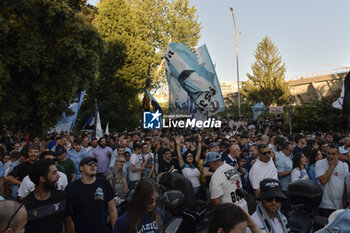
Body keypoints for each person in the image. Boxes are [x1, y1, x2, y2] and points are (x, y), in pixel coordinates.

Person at [66, 157, 117, 233]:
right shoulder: (71, 188)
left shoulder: (104, 183)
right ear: (81, 168)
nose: (93, 166)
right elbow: (68, 219)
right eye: (90, 164)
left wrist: (116, 230)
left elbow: (112, 210)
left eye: (95, 164)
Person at [23, 159, 74, 233]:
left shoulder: (62, 197)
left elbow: (68, 222)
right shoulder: (25, 206)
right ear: (42, 178)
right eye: (54, 173)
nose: (58, 176)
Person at [316, 143, 349, 217]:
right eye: (328, 153)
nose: (330, 156)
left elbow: (344, 184)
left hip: (339, 206)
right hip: (325, 206)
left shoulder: (343, 165)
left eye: (333, 154)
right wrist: (331, 167)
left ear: (337, 154)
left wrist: (344, 201)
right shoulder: (319, 164)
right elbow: (323, 181)